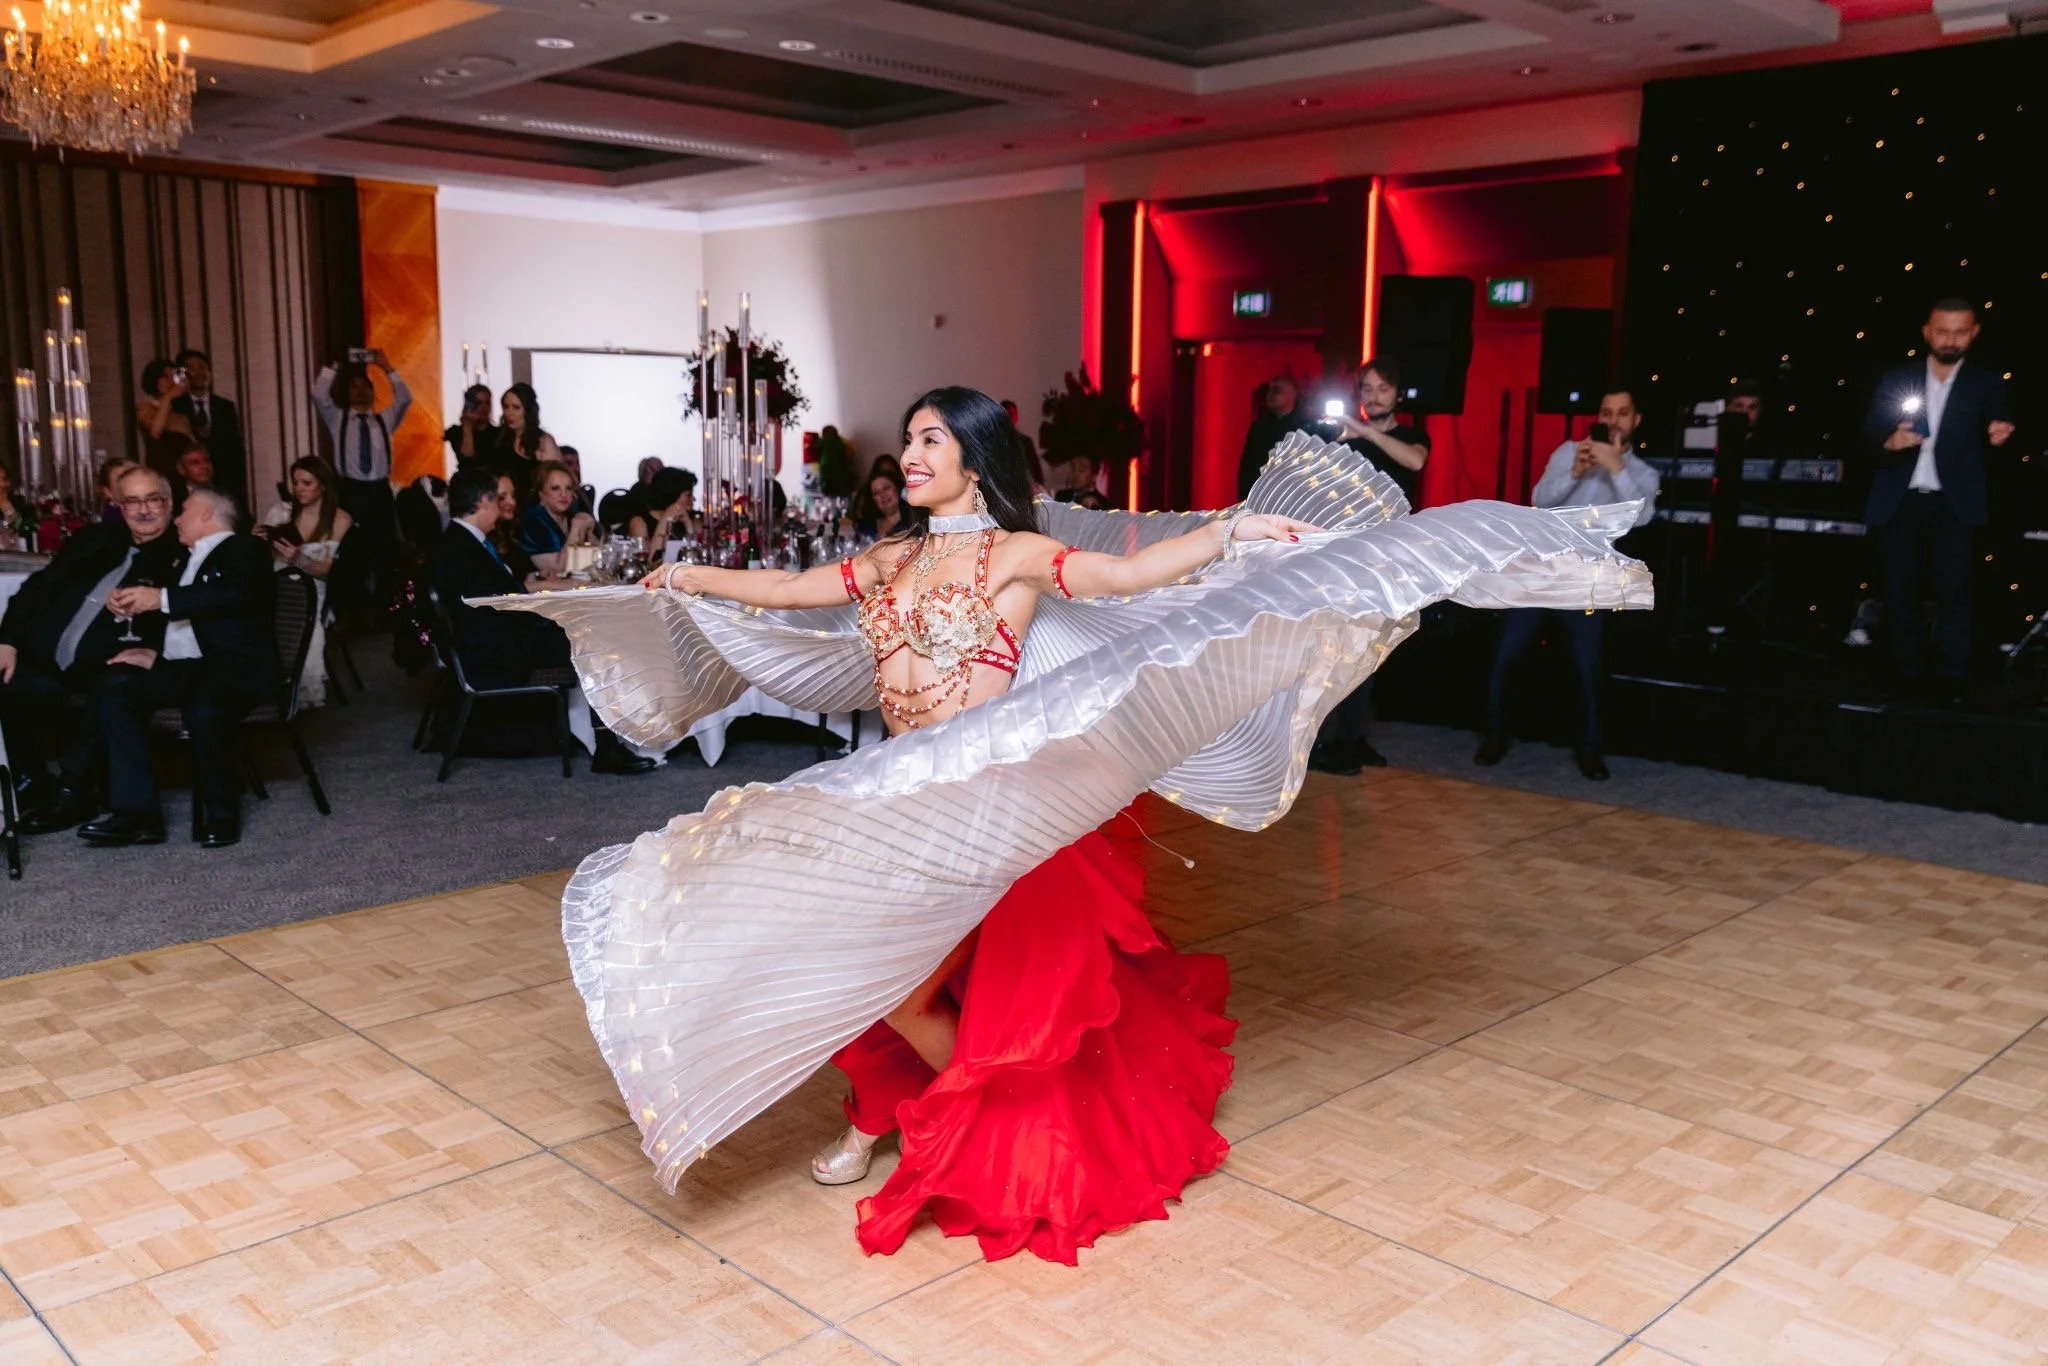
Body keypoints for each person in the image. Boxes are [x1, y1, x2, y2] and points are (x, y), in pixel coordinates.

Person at [500, 387, 1647, 1267]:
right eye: (908, 437)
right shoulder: (888, 558)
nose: (911, 453)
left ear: (974, 460)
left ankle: (949, 1117)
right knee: (858, 963)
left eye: (932, 439)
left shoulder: (1013, 554)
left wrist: (1226, 536)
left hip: (982, 804)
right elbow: (791, 594)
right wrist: (694, 577)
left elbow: (1126, 576)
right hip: (898, 794)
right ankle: (895, 1111)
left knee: (905, 981)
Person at [1476, 387, 1660, 781]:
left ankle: (1590, 747)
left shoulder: (1643, 473)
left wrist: (1616, 468)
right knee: (1506, 651)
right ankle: (1495, 733)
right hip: (1542, 569)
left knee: (1588, 662)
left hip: (1587, 578)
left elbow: (1641, 517)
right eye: (1607, 412)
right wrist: (1576, 473)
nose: (1613, 421)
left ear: (1636, 420)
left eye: (1622, 413)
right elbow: (1539, 499)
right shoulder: (1568, 452)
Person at [434, 467, 656, 776]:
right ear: (483, 501)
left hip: (499, 639)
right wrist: (550, 612)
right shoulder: (463, 549)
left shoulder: (462, 542)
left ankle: (613, 738)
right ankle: (607, 747)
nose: (503, 506)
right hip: (497, 652)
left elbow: (500, 596)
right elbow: (500, 605)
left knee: (588, 633)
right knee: (596, 644)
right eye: (498, 499)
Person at [0, 466, 185, 834]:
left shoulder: (184, 552)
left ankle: (75, 791)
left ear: (169, 503)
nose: (143, 510)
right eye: (132, 501)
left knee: (112, 684)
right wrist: (7, 640)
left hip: (107, 663)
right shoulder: (96, 539)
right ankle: (28, 779)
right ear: (119, 505)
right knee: (5, 677)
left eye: (152, 499)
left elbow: (196, 614)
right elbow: (36, 589)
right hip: (45, 659)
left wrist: (157, 652)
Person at [89, 487, 277, 848]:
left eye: (184, 511)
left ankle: (222, 814)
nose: (176, 519)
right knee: (116, 693)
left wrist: (159, 598)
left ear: (206, 514)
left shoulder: (245, 549)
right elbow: (182, 620)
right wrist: (152, 650)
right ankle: (138, 816)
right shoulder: (183, 559)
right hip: (185, 668)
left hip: (230, 669)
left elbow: (234, 593)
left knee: (204, 708)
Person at [1863, 298, 2015, 702]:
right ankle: (1905, 673)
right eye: (1943, 331)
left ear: (1974, 332)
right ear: (1927, 332)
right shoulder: (1898, 377)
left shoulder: (1987, 381)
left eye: (1960, 332)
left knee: (1955, 590)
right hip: (1901, 499)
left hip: (1955, 502)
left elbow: (2003, 430)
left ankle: (1952, 677)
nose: (1951, 340)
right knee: (1899, 589)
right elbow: (1868, 436)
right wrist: (1890, 443)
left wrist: (2001, 435)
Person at [1306, 357, 1433, 774]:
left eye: (1383, 388)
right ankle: (1323, 742)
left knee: (1372, 648)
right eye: (1367, 388)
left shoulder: (1411, 435)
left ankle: (1352, 738)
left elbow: (1415, 461)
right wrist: (1339, 443)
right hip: (1346, 557)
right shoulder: (1345, 439)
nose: (1374, 397)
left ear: (1397, 394)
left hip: (1389, 557)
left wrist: (1367, 434)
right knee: (1338, 647)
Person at [313, 350, 412, 617]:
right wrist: (335, 365)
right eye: (355, 387)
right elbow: (319, 395)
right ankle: (351, 612)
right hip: (351, 491)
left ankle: (382, 611)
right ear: (347, 394)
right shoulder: (338, 418)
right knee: (351, 552)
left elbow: (405, 398)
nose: (361, 392)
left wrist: (386, 367)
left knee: (383, 551)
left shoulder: (384, 419)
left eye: (366, 387)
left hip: (379, 490)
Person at [258, 456, 352, 707]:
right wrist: (260, 542)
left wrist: (299, 559)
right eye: (295, 482)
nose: (299, 488)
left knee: (298, 611)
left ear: (323, 485)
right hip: (278, 582)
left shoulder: (339, 519)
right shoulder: (282, 513)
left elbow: (328, 572)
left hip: (314, 587)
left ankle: (301, 685)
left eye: (306, 483)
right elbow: (267, 562)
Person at [170, 348, 247, 510]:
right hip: (188, 486)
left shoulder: (226, 406)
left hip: (225, 481)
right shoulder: (175, 405)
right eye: (192, 368)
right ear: (182, 375)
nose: (199, 372)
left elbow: (234, 446)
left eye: (202, 367)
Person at [518, 461, 599, 577]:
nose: (563, 494)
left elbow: (597, 563)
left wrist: (590, 535)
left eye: (568, 488)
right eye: (555, 488)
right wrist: (575, 530)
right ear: (541, 494)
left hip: (576, 585)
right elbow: (557, 570)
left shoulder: (573, 515)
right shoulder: (533, 521)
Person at [1237, 375, 1310, 498]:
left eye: (1276, 391)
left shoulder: (1305, 428)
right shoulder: (1259, 428)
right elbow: (1247, 467)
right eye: (1269, 390)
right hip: (1261, 495)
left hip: (1293, 496)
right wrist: (1246, 497)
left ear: (1292, 394)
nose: (1270, 395)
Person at [494, 382, 561, 498]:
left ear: (528, 410)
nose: (509, 413)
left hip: (534, 504)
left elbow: (557, 482)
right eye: (506, 407)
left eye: (516, 408)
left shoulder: (543, 441)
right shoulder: (500, 438)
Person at [136, 358, 197, 479]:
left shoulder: (181, 413)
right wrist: (168, 397)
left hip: (185, 472)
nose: (170, 381)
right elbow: (155, 431)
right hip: (162, 472)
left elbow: (193, 444)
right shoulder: (145, 408)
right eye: (164, 376)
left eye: (173, 376)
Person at [624, 468, 697, 560]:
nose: (693, 499)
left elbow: (696, 556)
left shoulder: (689, 519)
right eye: (689, 495)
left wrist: (688, 524)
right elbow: (651, 560)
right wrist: (666, 518)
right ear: (673, 495)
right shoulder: (639, 522)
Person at [443, 384, 499, 473]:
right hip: (466, 479)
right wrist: (467, 425)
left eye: (487, 403)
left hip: (492, 479)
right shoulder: (456, 432)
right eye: (478, 403)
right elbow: (467, 461)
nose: (484, 407)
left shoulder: (499, 433)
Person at [852, 465, 906, 542]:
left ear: (897, 489)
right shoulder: (866, 527)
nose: (883, 495)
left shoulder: (914, 524)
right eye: (876, 492)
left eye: (886, 488)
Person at [0, 462, 35, 547]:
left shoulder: (19, 504)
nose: (2, 484)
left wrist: (9, 510)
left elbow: (29, 533)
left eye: (4, 479)